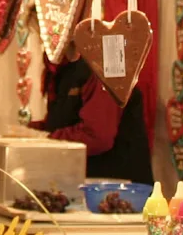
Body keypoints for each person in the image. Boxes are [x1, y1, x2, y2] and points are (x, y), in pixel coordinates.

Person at [35, 54, 154, 184]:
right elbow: (63, 120)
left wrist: (45, 140)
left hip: (118, 191)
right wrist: (32, 133)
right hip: (82, 184)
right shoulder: (60, 67)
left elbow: (98, 136)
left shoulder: (105, 62)